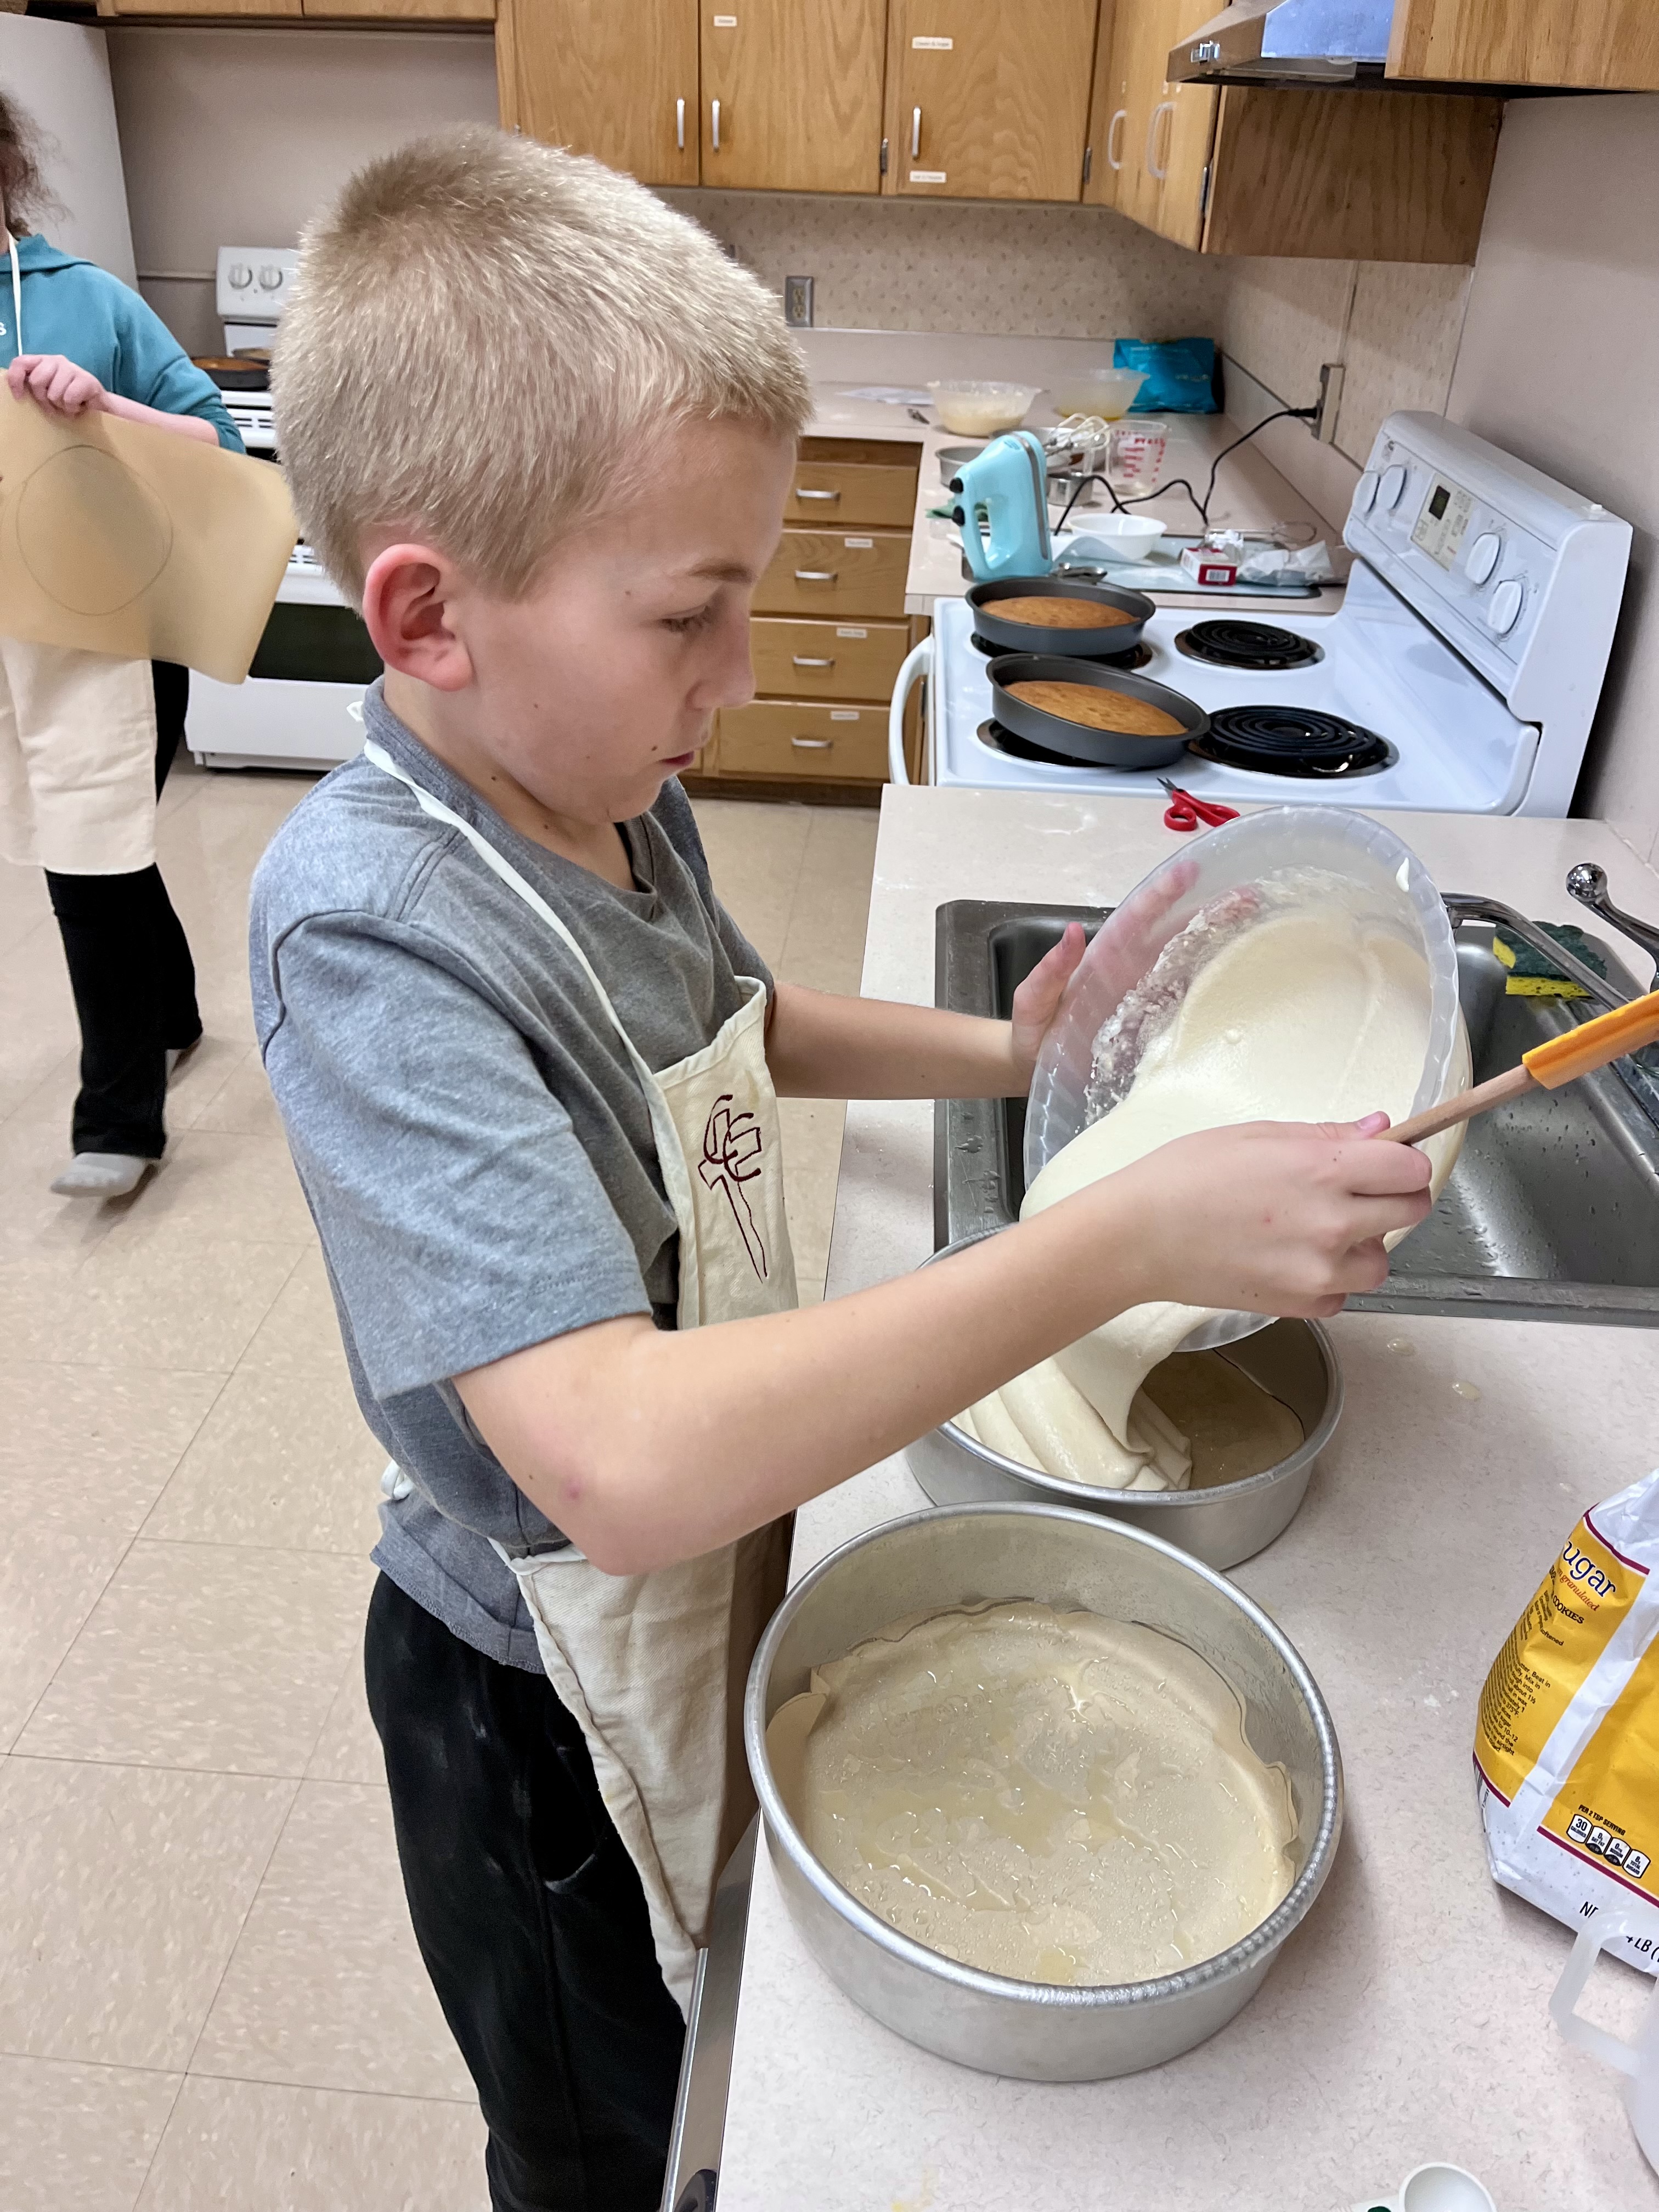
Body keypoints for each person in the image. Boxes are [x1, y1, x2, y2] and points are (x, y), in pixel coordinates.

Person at [252, 126, 1431, 2212]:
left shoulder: (607, 789)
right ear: (429, 615)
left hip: (710, 1560)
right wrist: (1118, 1240)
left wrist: (1016, 1052)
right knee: (605, 2137)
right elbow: (618, 1465)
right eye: (689, 617)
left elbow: (738, 1021)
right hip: (530, 1693)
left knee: (717, 2044)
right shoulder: (373, 940)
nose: (730, 681)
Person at [0, 89, 242, 1198]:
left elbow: (218, 444)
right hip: (8, 638)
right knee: (102, 845)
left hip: (111, 637)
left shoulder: (85, 299)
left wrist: (99, 406)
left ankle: (120, 1120)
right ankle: (176, 1014)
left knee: (86, 855)